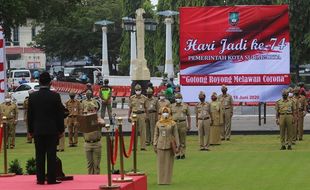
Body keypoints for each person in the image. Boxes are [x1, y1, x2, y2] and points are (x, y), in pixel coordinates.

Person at [27, 72, 64, 185]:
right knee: (51, 155)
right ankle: (52, 179)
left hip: (38, 130)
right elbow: (59, 115)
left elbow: (30, 116)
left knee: (39, 155)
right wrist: (61, 130)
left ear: (39, 82)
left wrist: (30, 130)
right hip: (52, 130)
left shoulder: (33, 96)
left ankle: (40, 179)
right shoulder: (55, 96)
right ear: (50, 83)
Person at [154, 106, 180, 185]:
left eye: (167, 112)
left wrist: (178, 145)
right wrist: (154, 144)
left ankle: (167, 181)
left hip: (170, 145)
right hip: (160, 145)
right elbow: (156, 134)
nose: (165, 113)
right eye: (164, 112)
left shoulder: (173, 123)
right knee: (160, 164)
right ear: (161, 113)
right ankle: (161, 181)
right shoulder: (158, 123)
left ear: (169, 113)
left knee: (168, 164)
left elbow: (176, 134)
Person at [81, 90, 101, 174]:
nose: (90, 111)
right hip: (87, 143)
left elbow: (102, 123)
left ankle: (96, 180)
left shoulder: (97, 119)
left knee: (96, 165)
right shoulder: (84, 120)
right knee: (89, 165)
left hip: (96, 144)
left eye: (92, 110)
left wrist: (95, 118)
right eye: (88, 110)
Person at [171, 93, 191, 159]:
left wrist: (189, 125)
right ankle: (177, 153)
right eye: (177, 98)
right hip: (174, 124)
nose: (178, 99)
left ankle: (182, 153)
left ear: (181, 99)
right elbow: (170, 116)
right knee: (176, 139)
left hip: (183, 123)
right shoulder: (172, 106)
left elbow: (188, 116)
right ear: (175, 99)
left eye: (179, 98)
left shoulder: (185, 106)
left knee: (183, 139)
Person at [128, 84, 148, 150]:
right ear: (135, 90)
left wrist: (147, 116)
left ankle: (143, 146)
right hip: (134, 115)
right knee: (134, 131)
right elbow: (130, 108)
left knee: (143, 131)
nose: (138, 91)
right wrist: (128, 116)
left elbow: (146, 108)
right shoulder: (132, 98)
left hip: (142, 114)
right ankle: (134, 146)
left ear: (141, 90)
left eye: (139, 90)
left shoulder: (144, 98)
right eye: (136, 90)